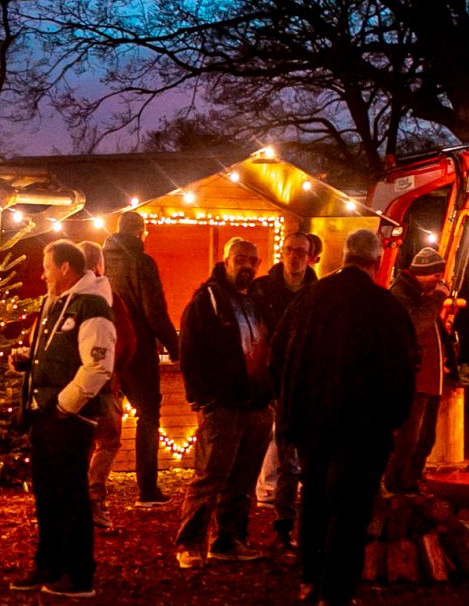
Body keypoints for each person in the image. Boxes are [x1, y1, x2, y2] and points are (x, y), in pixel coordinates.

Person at [273, 230, 416, 606]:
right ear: (376, 261)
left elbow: (279, 354)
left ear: (344, 256)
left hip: (311, 421)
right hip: (362, 427)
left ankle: (309, 581)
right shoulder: (385, 307)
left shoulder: (308, 299)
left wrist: (288, 411)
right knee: (350, 507)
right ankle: (336, 593)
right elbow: (403, 370)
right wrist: (395, 420)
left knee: (315, 500)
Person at [14, 240, 117, 597]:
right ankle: (49, 564)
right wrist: (30, 359)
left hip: (68, 418)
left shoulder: (92, 307)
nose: (42, 274)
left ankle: (78, 573)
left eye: (47, 266)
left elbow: (98, 364)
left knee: (70, 494)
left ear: (66, 269)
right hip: (45, 414)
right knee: (47, 494)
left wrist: (64, 404)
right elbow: (63, 352)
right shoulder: (54, 304)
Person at [173, 238, 274, 567]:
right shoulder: (208, 300)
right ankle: (189, 544)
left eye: (251, 260)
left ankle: (229, 539)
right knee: (210, 476)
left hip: (256, 404)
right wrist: (203, 398)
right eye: (240, 258)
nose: (246, 265)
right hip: (224, 405)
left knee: (243, 480)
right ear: (226, 260)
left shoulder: (256, 302)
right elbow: (189, 351)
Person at [101, 211, 178, 504]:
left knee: (103, 416)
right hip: (138, 348)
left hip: (105, 346)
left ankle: (95, 486)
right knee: (148, 415)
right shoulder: (141, 262)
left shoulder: (101, 261)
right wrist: (174, 344)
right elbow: (153, 310)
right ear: (140, 233)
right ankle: (147, 488)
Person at [253, 232, 320, 543]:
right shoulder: (264, 290)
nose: (294, 257)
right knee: (284, 456)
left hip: (309, 382)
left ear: (310, 256)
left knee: (302, 458)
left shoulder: (317, 293)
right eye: (289, 250)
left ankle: (303, 526)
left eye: (300, 252)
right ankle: (283, 523)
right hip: (273, 381)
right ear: (282, 253)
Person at [387, 249, 451, 491]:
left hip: (428, 379)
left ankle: (412, 479)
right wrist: (436, 300)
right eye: (437, 276)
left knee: (425, 437)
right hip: (412, 379)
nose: (440, 282)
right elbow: (414, 325)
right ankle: (398, 483)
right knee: (408, 438)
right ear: (425, 274)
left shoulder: (419, 294)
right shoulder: (402, 294)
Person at [78, 241, 131, 517]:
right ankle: (94, 496)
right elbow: (128, 340)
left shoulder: (65, 298)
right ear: (100, 265)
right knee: (108, 441)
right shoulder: (110, 298)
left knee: (81, 442)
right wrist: (115, 369)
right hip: (106, 384)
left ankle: (77, 497)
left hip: (74, 383)